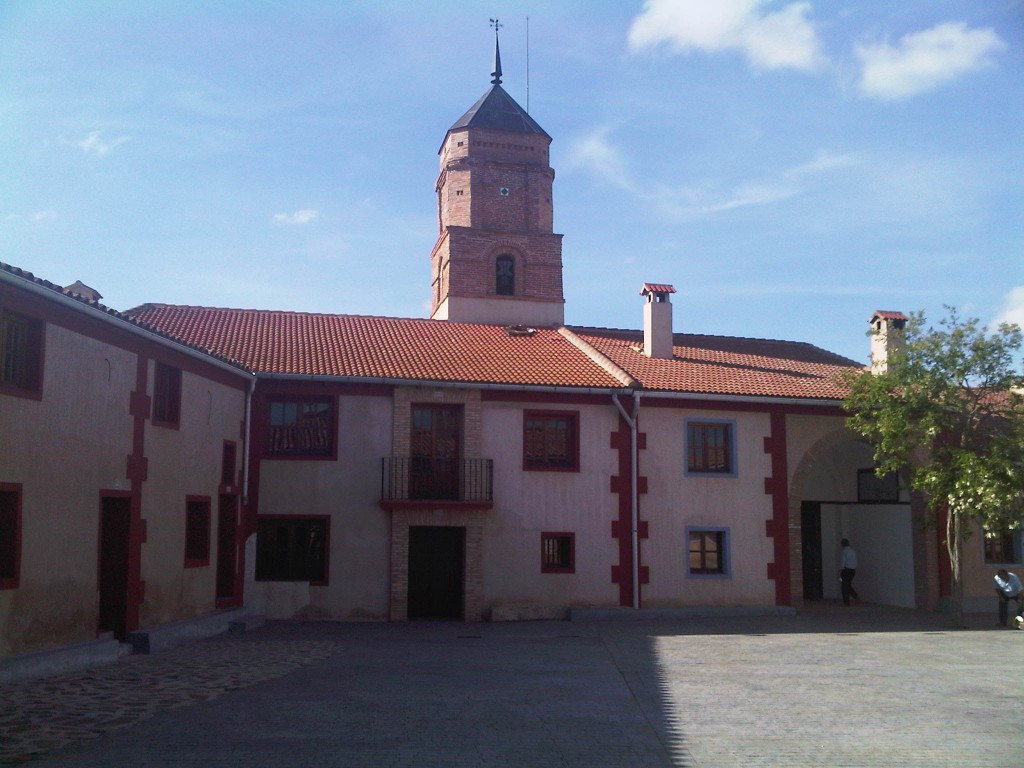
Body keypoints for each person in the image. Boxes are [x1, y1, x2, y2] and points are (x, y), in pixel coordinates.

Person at [839, 538, 860, 606]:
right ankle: (855, 596)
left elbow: (843, 562)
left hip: (846, 570)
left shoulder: (844, 552)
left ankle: (846, 602)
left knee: (844, 586)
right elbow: (855, 561)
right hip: (852, 571)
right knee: (847, 585)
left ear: (842, 544)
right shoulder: (853, 551)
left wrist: (840, 570)